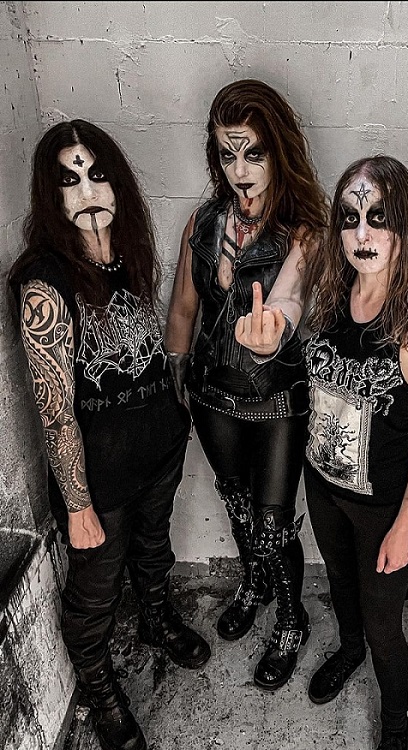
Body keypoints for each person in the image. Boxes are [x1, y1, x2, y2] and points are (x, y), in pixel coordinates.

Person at [8, 120, 211, 750]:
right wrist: (76, 506)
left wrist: (177, 412)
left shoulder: (125, 249)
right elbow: (54, 412)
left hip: (158, 448)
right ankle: (100, 691)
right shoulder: (45, 283)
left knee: (153, 551)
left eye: (97, 174)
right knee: (93, 594)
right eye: (70, 180)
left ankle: (155, 618)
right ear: (51, 195)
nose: (88, 190)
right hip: (97, 477)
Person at [164, 79, 328, 691]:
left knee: (274, 522)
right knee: (236, 504)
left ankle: (291, 619)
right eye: (227, 154)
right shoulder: (204, 220)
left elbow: (289, 295)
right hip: (212, 396)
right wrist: (177, 375)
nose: (240, 171)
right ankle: (256, 583)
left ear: (277, 151)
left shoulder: (304, 231)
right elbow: (184, 307)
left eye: (253, 153)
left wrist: (272, 329)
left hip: (277, 399)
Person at [302, 155, 408, 750]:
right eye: (350, 218)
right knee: (341, 587)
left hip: (384, 508)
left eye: (378, 218)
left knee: (384, 625)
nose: (361, 234)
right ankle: (348, 651)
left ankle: (395, 724)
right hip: (323, 487)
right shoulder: (329, 291)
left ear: (403, 226)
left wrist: (405, 526)